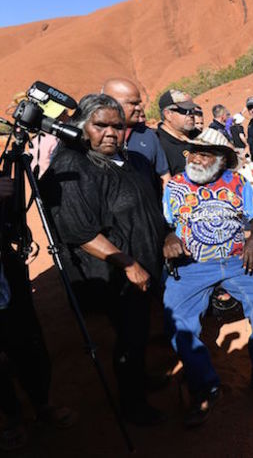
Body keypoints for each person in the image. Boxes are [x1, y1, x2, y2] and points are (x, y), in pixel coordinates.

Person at [41, 94, 168, 426]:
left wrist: (165, 236)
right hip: (114, 272)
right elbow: (79, 231)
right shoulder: (72, 165)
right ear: (82, 127)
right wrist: (129, 264)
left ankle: (139, 382)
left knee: (138, 331)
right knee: (129, 336)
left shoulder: (118, 158)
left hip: (138, 264)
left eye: (118, 126)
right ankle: (133, 406)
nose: (111, 133)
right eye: (101, 125)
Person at [162, 128, 253, 427]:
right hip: (192, 264)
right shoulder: (175, 185)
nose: (196, 158)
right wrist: (168, 238)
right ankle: (205, 384)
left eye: (205, 153)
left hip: (234, 261)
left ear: (221, 159)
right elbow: (165, 224)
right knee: (177, 317)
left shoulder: (237, 182)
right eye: (193, 151)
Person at [0, 177, 76, 450]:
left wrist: (22, 236)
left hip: (7, 278)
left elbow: (11, 221)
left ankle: (42, 403)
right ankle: (11, 416)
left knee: (29, 342)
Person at [101, 78, 171, 185]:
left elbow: (164, 176)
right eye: (133, 103)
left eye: (139, 103)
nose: (139, 108)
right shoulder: (93, 135)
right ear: (111, 102)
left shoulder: (148, 135)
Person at [156, 89, 198, 175]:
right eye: (185, 110)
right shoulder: (158, 144)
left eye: (192, 110)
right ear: (168, 114)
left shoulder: (198, 136)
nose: (191, 115)